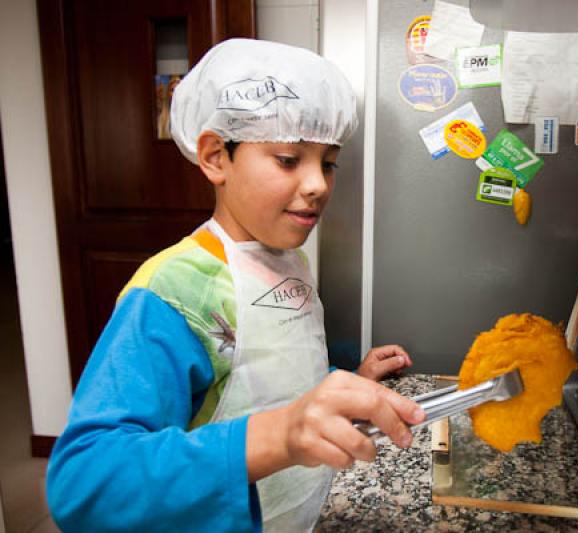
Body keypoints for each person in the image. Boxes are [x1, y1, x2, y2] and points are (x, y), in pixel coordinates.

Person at [46, 38, 422, 532]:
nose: (319, 185)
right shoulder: (176, 290)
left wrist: (350, 380)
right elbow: (83, 481)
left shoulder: (288, 259)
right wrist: (281, 436)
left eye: (328, 162)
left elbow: (268, 374)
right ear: (215, 157)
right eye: (289, 159)